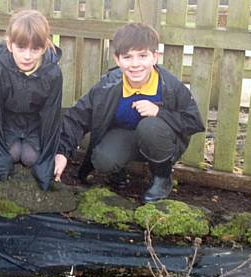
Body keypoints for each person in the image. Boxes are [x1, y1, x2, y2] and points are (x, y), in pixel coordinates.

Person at [54, 22, 205, 202]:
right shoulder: (108, 85)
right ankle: (117, 171)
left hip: (160, 141)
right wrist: (62, 152)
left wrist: (159, 112)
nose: (135, 64)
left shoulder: (170, 86)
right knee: (103, 159)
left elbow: (193, 121)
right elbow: (77, 117)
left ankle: (162, 178)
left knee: (150, 127)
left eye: (142, 56)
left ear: (155, 57)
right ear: (117, 60)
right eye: (127, 57)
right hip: (125, 138)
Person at [0, 9, 63, 191]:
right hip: (7, 120)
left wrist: (47, 160)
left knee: (31, 159)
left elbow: (51, 116)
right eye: (21, 48)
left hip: (34, 123)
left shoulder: (53, 73)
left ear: (45, 47)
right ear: (10, 45)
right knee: (10, 155)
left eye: (35, 49)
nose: (27, 56)